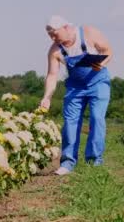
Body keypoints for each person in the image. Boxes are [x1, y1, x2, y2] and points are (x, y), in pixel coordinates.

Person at [40, 16, 113, 175]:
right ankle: (67, 163)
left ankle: (94, 161)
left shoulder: (88, 32)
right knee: (70, 123)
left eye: (55, 34)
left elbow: (107, 51)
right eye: (50, 36)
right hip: (75, 87)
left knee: (96, 118)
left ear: (66, 28)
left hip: (98, 82)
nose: (53, 39)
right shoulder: (55, 50)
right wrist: (47, 97)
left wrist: (100, 64)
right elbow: (52, 75)